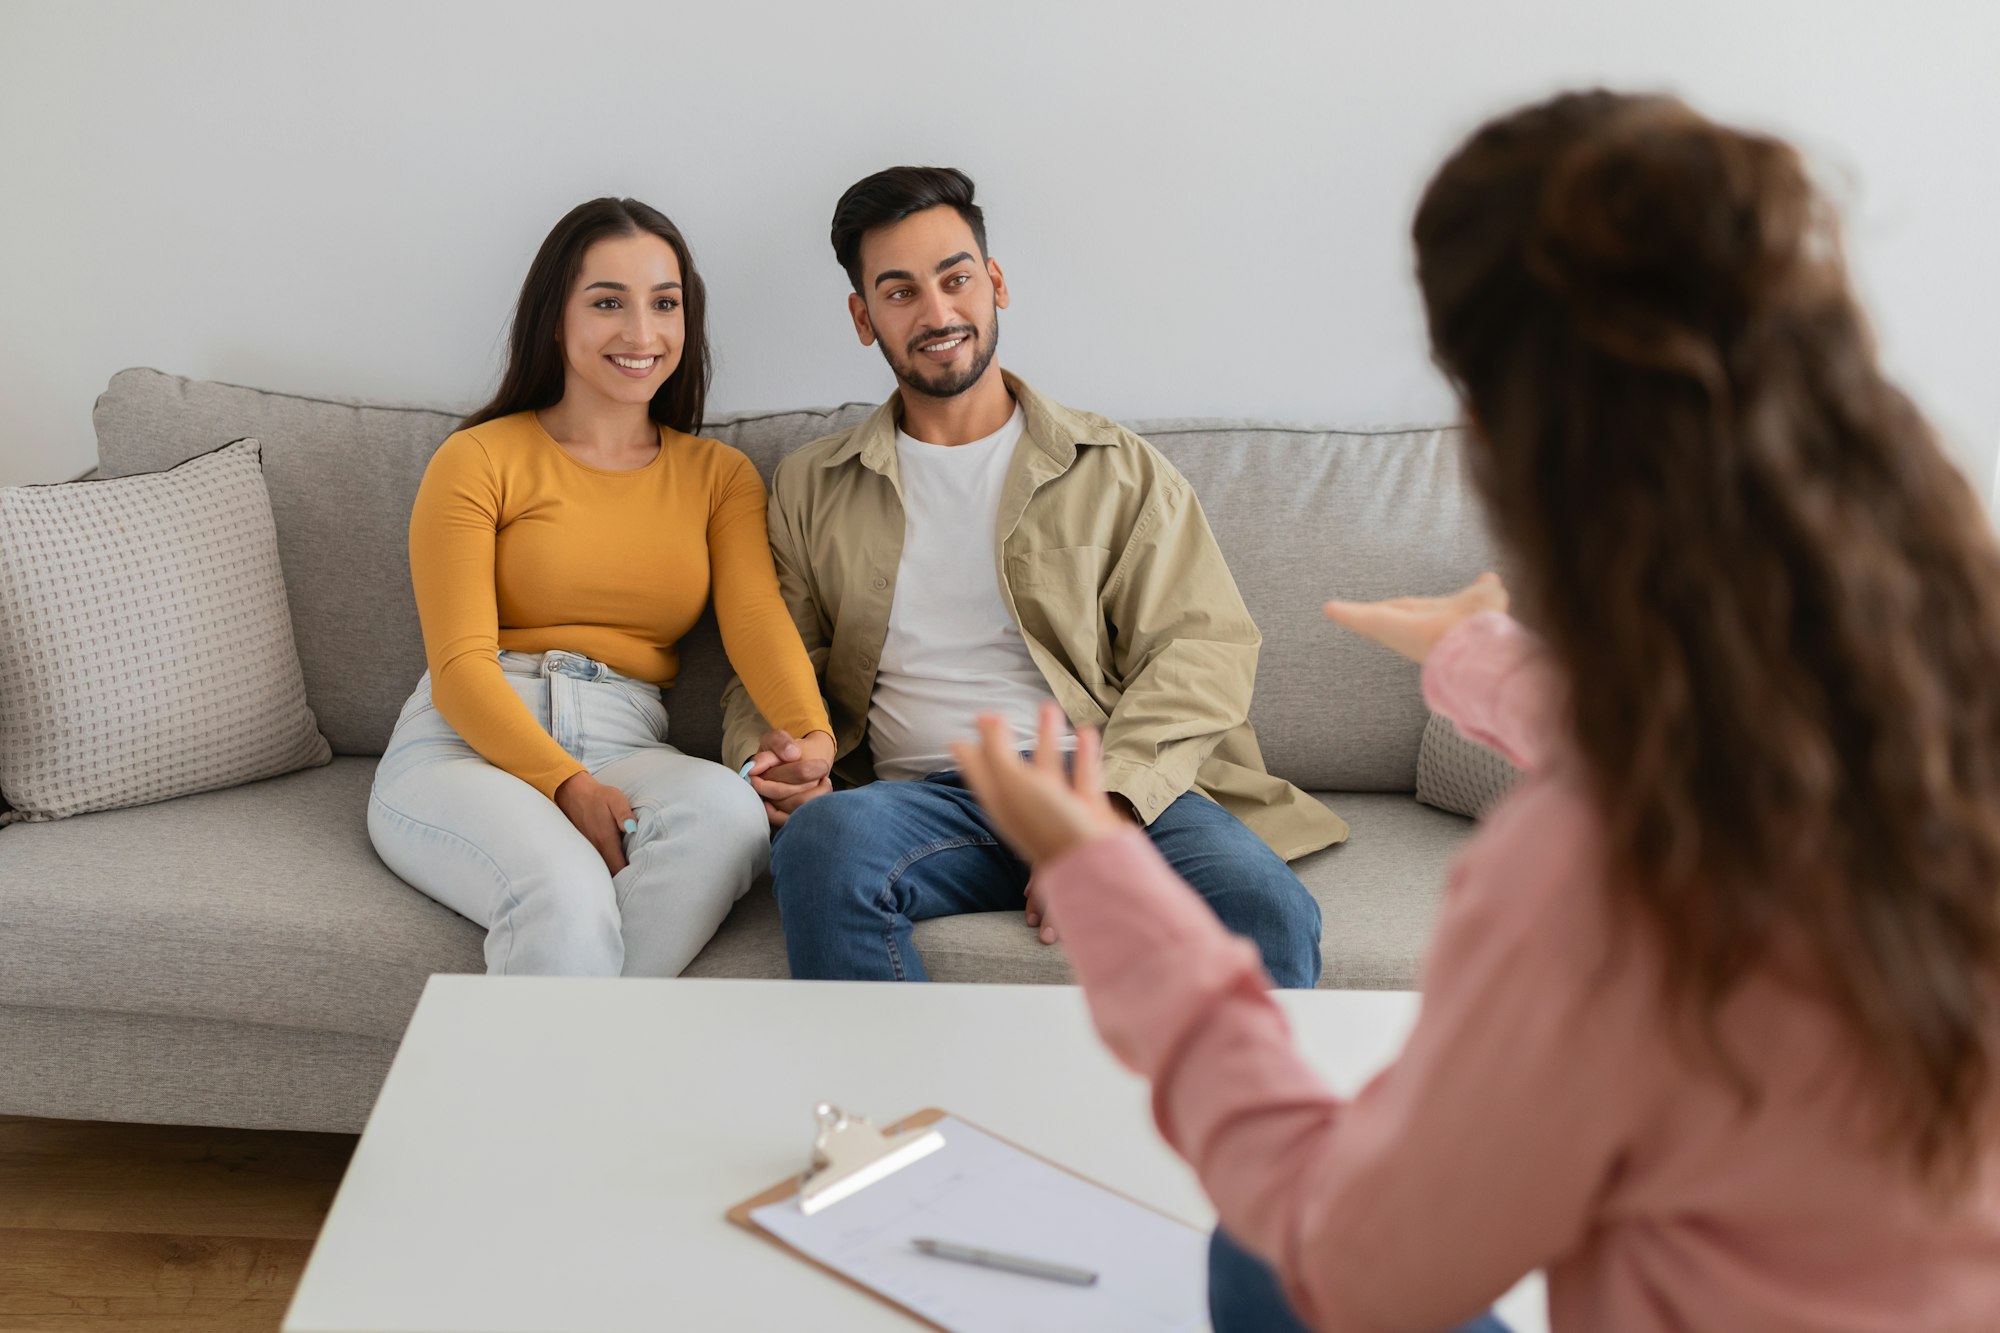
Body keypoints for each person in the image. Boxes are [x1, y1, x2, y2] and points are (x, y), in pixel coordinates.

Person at [950, 91, 2000, 1333]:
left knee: (1270, 1252)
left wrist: (1102, 875)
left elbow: (1348, 1266)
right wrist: (1477, 658)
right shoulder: (1937, 691)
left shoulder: (1594, 876)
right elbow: (1741, 746)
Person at [719, 166, 1343, 987]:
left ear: (996, 284)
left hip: (1108, 782)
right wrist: (776, 762)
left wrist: (1102, 816)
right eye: (900, 291)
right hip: (921, 802)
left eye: (956, 278)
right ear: (863, 318)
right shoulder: (811, 484)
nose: (938, 313)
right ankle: (894, 1114)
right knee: (824, 844)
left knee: (1266, 911)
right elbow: (772, 660)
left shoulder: (1114, 468)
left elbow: (1204, 649)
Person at [369, 198, 832, 977]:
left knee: (729, 812)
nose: (642, 334)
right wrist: (565, 783)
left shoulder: (717, 476)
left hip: (627, 737)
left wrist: (811, 737)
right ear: (557, 318)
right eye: (608, 302)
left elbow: (754, 616)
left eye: (664, 304)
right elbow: (458, 668)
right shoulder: (478, 458)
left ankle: (577, 1080)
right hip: (470, 744)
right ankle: (590, 1091)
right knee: (563, 889)